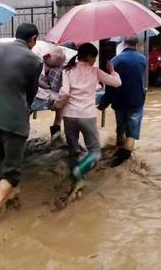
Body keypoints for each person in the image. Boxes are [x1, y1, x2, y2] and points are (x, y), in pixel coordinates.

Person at [0, 23, 43, 227]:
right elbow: (31, 94)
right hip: (14, 121)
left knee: (5, 159)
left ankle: (13, 193)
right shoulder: (34, 60)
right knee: (11, 171)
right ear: (33, 39)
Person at [55, 43, 121, 181]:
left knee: (73, 150)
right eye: (94, 57)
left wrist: (57, 105)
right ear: (89, 56)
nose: (94, 61)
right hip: (87, 116)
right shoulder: (95, 71)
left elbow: (65, 92)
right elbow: (117, 83)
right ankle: (80, 171)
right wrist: (112, 70)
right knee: (95, 153)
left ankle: (76, 179)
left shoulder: (67, 71)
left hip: (69, 116)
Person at [102, 36, 147, 167]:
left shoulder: (115, 60)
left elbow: (110, 84)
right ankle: (122, 163)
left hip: (119, 101)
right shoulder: (142, 59)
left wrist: (105, 101)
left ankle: (117, 154)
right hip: (136, 101)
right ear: (136, 45)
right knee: (132, 133)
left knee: (120, 128)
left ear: (123, 44)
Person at [30, 47, 65, 138]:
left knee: (60, 111)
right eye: (49, 66)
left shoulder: (60, 63)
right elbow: (36, 81)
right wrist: (47, 86)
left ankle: (55, 137)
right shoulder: (36, 61)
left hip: (49, 88)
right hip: (33, 87)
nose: (50, 68)